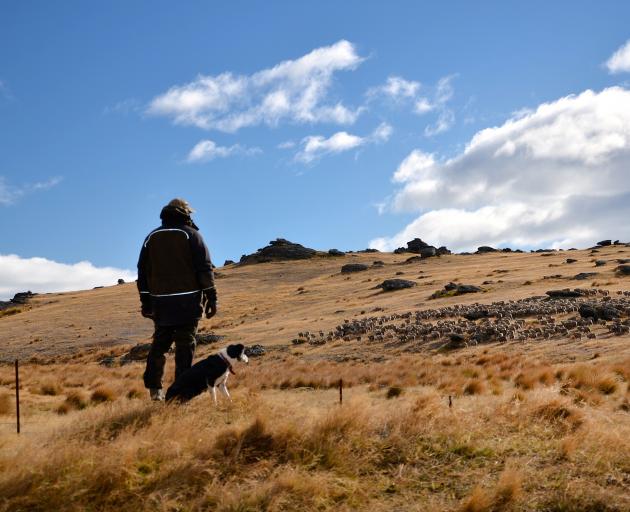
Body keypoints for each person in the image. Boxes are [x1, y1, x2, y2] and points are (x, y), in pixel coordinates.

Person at [137, 198, 217, 401]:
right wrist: (211, 296)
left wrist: (145, 301)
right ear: (185, 213)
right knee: (185, 346)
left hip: (160, 303)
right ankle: (181, 393)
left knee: (159, 347)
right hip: (188, 303)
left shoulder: (151, 237)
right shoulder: (191, 235)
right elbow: (204, 267)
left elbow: (142, 271)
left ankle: (155, 391)